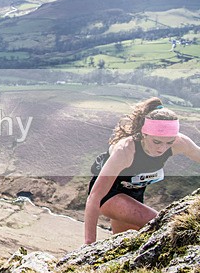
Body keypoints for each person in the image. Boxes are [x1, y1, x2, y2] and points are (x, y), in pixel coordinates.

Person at [84, 97, 200, 244]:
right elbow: (94, 197)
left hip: (134, 196)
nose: (162, 148)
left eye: (169, 142)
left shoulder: (180, 143)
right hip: (109, 196)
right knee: (160, 223)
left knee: (128, 244)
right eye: (156, 142)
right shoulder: (125, 150)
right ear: (144, 134)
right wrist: (89, 243)